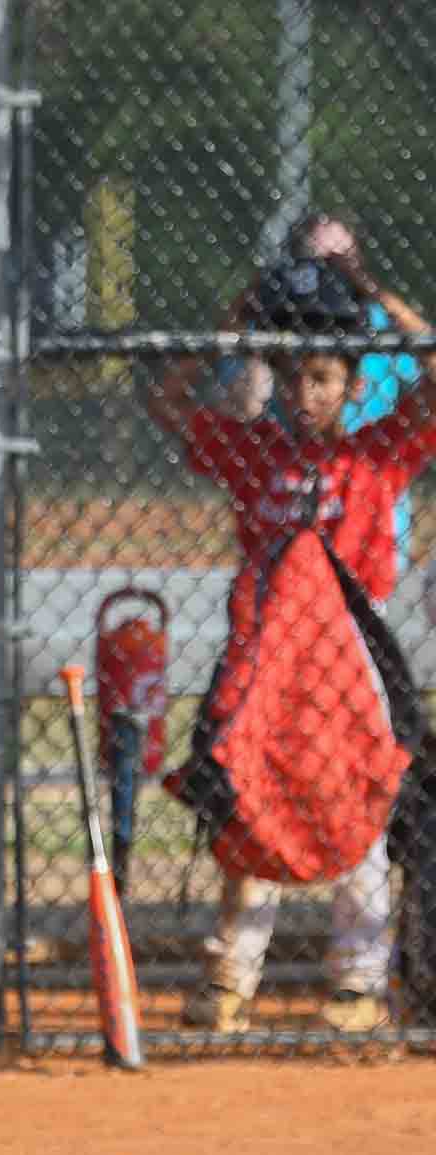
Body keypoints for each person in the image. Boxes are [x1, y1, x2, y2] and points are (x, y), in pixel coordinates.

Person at [146, 246, 436, 1035]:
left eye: (324, 379)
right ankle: (231, 977)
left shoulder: (372, 455)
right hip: (270, 656)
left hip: (353, 656)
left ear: (351, 385)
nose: (307, 395)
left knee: (362, 802)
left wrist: (377, 297)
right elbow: (168, 403)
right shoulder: (257, 451)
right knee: (250, 797)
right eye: (296, 377)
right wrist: (233, 326)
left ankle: (357, 982)